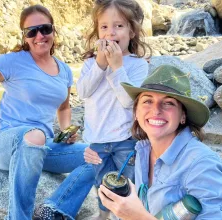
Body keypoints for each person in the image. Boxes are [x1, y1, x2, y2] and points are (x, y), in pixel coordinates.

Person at [0, 5, 94, 220]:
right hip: (5, 142)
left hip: (41, 145)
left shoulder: (65, 70)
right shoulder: (12, 62)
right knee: (34, 135)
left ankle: (54, 209)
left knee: (97, 155)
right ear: (24, 36)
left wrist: (66, 130)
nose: (39, 36)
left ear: (53, 31)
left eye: (44, 29)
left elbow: (64, 107)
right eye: (31, 31)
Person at [92, 64, 222, 219]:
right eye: (147, 101)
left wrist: (137, 217)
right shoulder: (143, 151)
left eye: (168, 103)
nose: (156, 110)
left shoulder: (201, 164)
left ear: (183, 116)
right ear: (136, 113)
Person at [77, 0, 151, 219]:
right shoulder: (91, 63)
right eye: (104, 27)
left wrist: (117, 67)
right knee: (101, 183)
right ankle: (103, 215)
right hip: (97, 139)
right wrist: (100, 64)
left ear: (132, 30)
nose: (111, 32)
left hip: (125, 139)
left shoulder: (138, 65)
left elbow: (129, 102)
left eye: (118, 26)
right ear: (97, 31)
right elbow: (83, 92)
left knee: (127, 183)